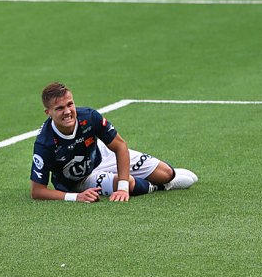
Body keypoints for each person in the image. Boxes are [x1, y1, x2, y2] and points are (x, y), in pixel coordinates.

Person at [30, 82, 198, 203]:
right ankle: (161, 187)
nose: (67, 112)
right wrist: (76, 196)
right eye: (60, 108)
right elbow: (37, 191)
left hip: (102, 156)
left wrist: (122, 189)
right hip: (80, 181)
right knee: (128, 182)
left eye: (70, 104)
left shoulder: (89, 117)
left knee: (167, 173)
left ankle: (165, 180)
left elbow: (120, 146)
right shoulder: (45, 143)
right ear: (48, 112)